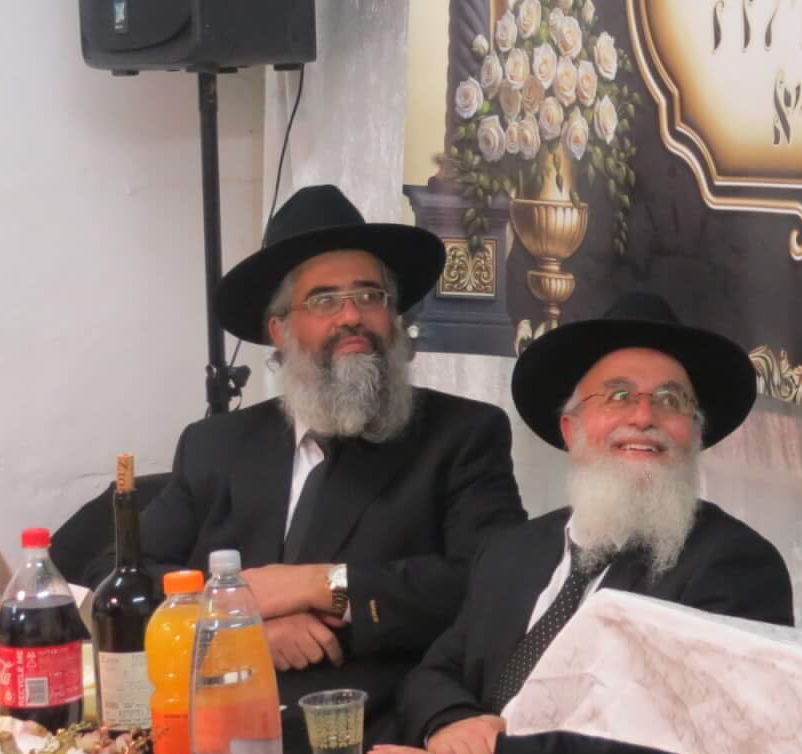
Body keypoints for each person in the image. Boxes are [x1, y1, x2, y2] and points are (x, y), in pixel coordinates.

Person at [372, 291, 793, 754]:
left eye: (671, 400)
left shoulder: (734, 566)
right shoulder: (513, 549)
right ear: (570, 429)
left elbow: (677, 738)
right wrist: (451, 725)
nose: (643, 416)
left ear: (695, 435)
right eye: (617, 395)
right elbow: (436, 669)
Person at [72, 184, 525, 719]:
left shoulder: (462, 435)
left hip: (373, 727)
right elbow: (117, 574)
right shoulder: (216, 445)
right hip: (212, 720)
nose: (351, 316)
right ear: (280, 331)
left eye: (370, 296)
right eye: (324, 300)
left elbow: (497, 583)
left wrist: (319, 585)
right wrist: (239, 626)